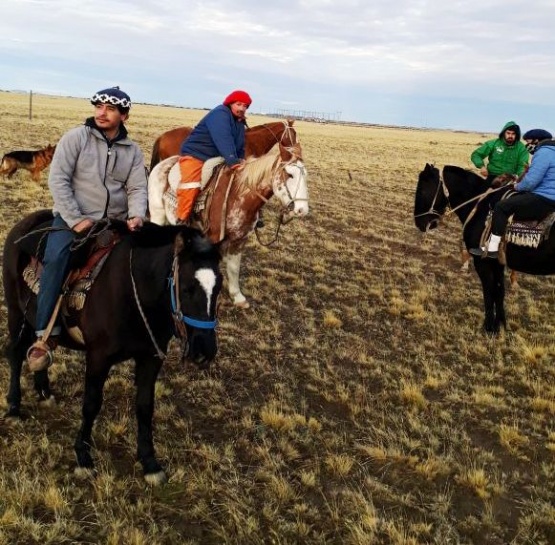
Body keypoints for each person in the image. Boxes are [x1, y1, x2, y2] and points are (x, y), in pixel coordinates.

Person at [26, 86, 148, 371]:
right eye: (99, 106)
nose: (102, 112)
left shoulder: (132, 150)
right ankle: (45, 335)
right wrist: (76, 219)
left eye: (110, 108)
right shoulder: (76, 138)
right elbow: (58, 181)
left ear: (124, 116)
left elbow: (137, 187)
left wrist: (137, 215)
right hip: (74, 219)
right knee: (58, 260)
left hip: (115, 222)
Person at [470, 128, 555, 258]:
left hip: (544, 198)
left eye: (529, 142)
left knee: (501, 206)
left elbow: (531, 182)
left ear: (537, 140)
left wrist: (516, 186)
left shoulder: (543, 153)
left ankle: (492, 249)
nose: (527, 145)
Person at [176, 89, 251, 223]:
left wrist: (242, 160)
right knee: (191, 186)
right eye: (239, 104)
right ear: (230, 103)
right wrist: (233, 161)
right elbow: (223, 138)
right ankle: (182, 220)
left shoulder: (239, 121)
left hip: (217, 156)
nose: (242, 108)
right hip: (197, 154)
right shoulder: (220, 114)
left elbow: (240, 144)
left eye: (245, 106)